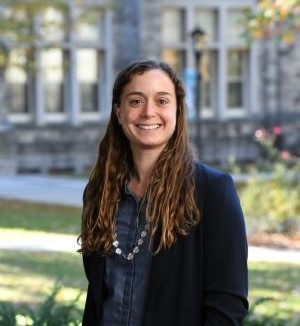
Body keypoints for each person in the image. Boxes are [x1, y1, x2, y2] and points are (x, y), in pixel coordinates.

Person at [78, 59, 248, 326]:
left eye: (162, 101)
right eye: (135, 101)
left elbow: (228, 306)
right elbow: (98, 297)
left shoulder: (212, 191)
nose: (148, 112)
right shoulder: (100, 192)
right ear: (119, 112)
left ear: (178, 111)